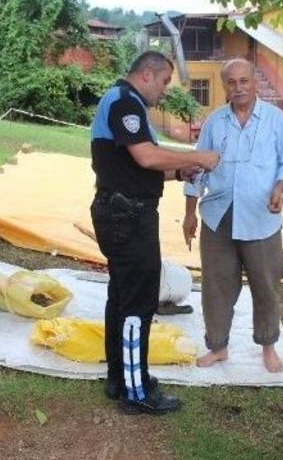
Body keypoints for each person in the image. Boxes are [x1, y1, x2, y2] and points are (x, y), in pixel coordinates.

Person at [90, 51, 220, 415]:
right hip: (127, 218)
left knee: (121, 299)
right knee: (137, 305)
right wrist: (197, 157)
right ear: (147, 74)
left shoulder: (123, 103)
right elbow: (147, 157)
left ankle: (121, 379)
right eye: (164, 82)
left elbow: (135, 167)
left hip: (122, 212)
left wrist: (179, 173)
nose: (164, 91)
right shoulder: (125, 103)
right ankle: (136, 391)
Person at [182, 58, 283, 373]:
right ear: (225, 86)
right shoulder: (214, 122)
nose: (239, 88)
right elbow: (196, 170)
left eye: (244, 81)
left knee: (266, 285)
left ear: (254, 82)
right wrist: (189, 214)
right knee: (216, 286)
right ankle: (218, 347)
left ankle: (268, 346)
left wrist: (280, 186)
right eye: (232, 83)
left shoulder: (275, 120)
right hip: (218, 217)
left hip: (261, 217)